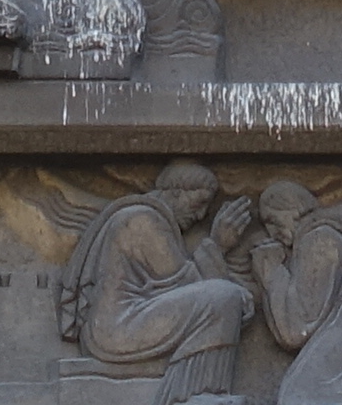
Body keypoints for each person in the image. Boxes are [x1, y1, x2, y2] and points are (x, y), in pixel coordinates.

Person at [62, 168, 254, 399]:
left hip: (132, 320)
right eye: (199, 202)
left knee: (224, 296)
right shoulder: (142, 220)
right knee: (223, 298)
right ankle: (196, 393)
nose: (202, 214)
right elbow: (184, 283)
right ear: (175, 192)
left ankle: (201, 391)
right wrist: (217, 245)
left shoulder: (151, 218)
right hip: (118, 328)